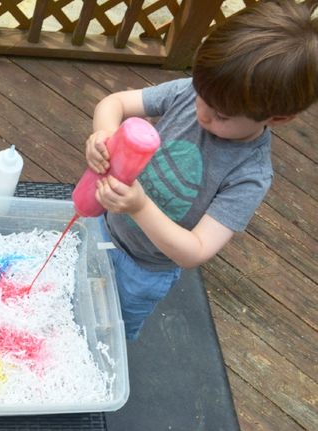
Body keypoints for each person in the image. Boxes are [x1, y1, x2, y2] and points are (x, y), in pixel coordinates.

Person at [84, 0, 318, 340]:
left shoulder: (249, 175)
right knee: (80, 286)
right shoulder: (190, 93)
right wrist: (104, 133)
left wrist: (140, 206)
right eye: (201, 96)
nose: (203, 113)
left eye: (220, 115)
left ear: (278, 118)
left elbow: (195, 251)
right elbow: (115, 103)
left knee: (113, 328)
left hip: (144, 270)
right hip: (104, 225)